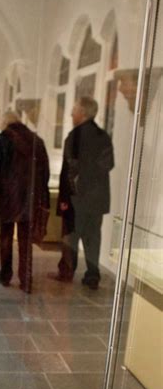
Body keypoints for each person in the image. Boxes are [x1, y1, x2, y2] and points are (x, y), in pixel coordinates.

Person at [0, 111, 50, 293]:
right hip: (30, 197)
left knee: (6, 236)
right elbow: (44, 174)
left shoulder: (1, 141)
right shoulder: (37, 141)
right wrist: (43, 198)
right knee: (26, 240)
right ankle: (26, 280)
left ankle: (5, 275)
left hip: (7, 198)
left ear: (4, 123)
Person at [49, 96, 114, 289]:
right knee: (93, 237)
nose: (71, 114)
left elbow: (70, 170)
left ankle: (67, 271)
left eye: (74, 110)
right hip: (98, 198)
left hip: (77, 197)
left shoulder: (75, 136)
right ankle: (93, 275)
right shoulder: (103, 136)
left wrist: (66, 197)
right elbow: (108, 164)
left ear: (83, 113)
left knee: (71, 235)